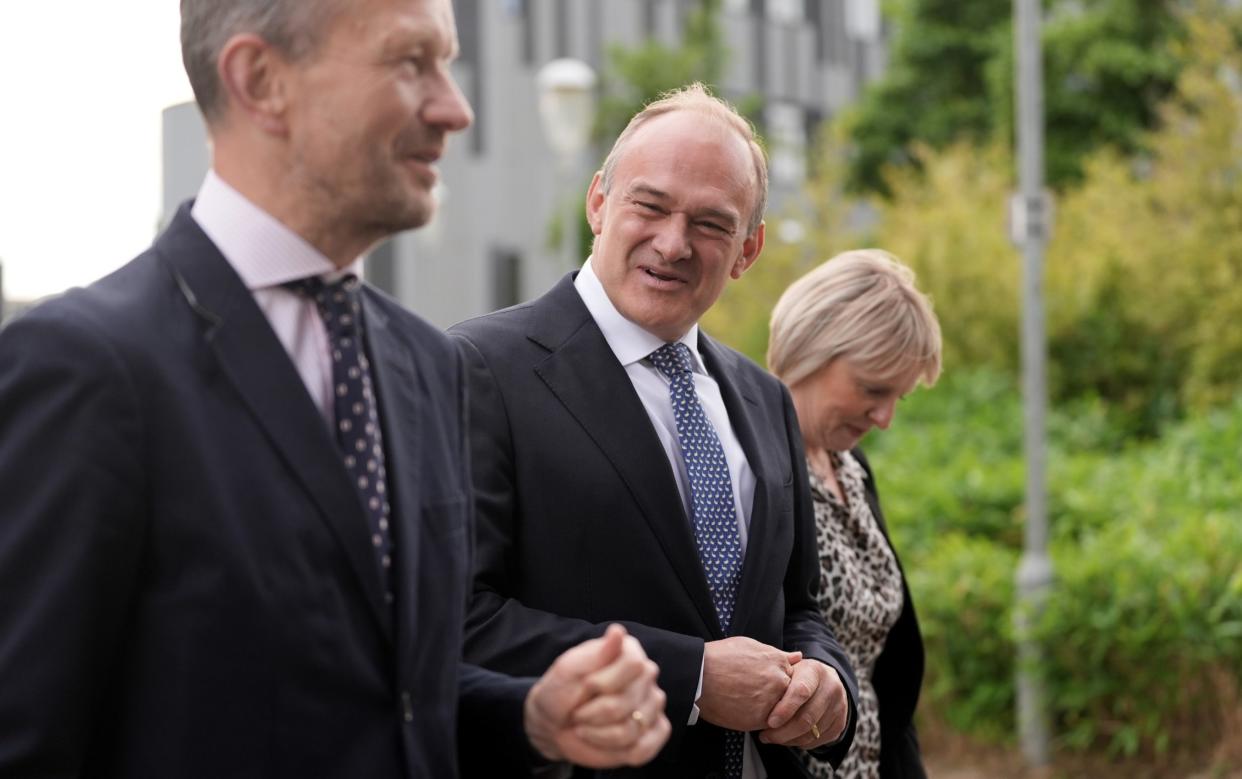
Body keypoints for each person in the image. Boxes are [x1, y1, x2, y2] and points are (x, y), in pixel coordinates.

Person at [0, 0, 670, 776]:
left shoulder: (426, 363)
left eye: (448, 63)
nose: (455, 109)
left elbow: (393, 686)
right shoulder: (85, 365)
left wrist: (529, 716)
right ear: (261, 80)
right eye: (411, 61)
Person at [450, 83, 859, 778]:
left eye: (710, 223)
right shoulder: (477, 368)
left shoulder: (765, 400)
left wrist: (827, 680)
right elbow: (461, 622)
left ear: (747, 249)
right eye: (650, 204)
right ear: (598, 203)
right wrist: (691, 675)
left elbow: (798, 609)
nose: (673, 243)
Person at [766, 249, 942, 779]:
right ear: (810, 351)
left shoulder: (851, 467)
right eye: (872, 389)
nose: (885, 418)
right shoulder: (751, 466)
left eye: (899, 399)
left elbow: (888, 672)